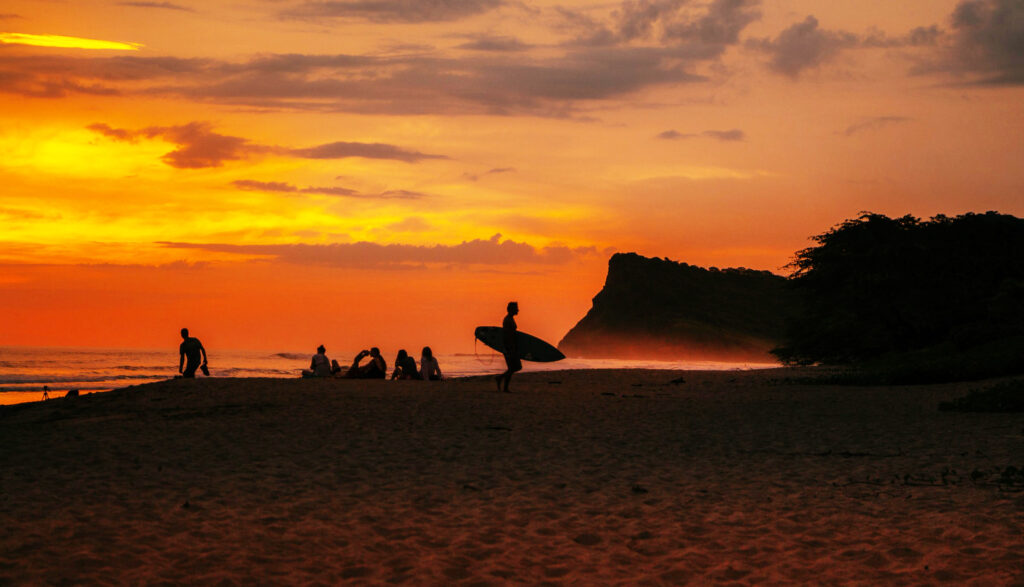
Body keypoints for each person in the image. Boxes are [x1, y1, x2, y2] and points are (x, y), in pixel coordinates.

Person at [495, 301, 521, 392]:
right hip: (509, 347)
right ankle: (502, 383)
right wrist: (511, 347)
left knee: (515, 367)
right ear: (511, 309)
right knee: (515, 367)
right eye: (516, 308)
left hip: (511, 347)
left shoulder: (510, 319)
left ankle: (501, 381)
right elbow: (507, 335)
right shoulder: (507, 320)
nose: (518, 310)